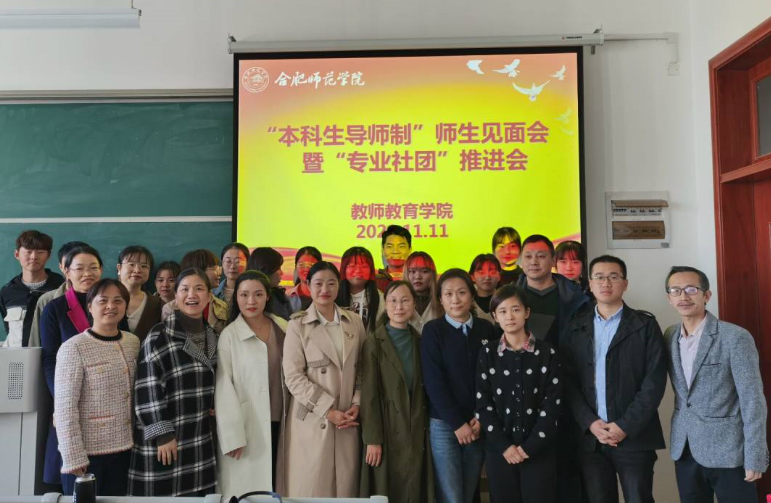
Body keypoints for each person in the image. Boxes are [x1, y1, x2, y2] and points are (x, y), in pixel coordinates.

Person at [562, 255, 667, 503]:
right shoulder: (575, 327)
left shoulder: (645, 325)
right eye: (599, 277)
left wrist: (624, 426)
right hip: (592, 440)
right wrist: (590, 423)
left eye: (613, 277)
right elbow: (568, 382)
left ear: (625, 283)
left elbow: (653, 383)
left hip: (634, 437)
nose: (606, 283)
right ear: (590, 283)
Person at [663, 266, 768, 503]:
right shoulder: (669, 335)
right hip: (685, 448)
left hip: (729, 451)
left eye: (691, 289)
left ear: (706, 295)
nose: (683, 296)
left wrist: (755, 456)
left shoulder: (735, 337)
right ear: (669, 298)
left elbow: (753, 400)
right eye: (676, 290)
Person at [279, 261, 367, 497]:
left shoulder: (354, 321)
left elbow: (363, 368)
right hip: (312, 419)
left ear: (339, 285)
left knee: (345, 489)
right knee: (312, 489)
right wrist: (328, 410)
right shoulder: (298, 325)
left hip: (347, 418)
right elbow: (293, 377)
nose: (324, 289)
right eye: (318, 284)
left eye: (331, 283)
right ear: (308, 285)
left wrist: (357, 402)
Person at [129, 268, 219, 497]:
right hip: (167, 439)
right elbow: (147, 387)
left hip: (199, 436)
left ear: (209, 296)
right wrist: (163, 434)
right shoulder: (159, 335)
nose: (192, 295)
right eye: (185, 289)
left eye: (199, 289)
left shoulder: (214, 337)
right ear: (176, 297)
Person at [515, 234, 588, 503]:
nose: (534, 261)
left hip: (570, 393)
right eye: (528, 256)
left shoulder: (577, 298)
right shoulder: (510, 298)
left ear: (552, 260)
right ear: (521, 261)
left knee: (569, 470)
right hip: (525, 395)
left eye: (541, 255)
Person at [476, 284, 562, 503]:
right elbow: (483, 404)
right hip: (500, 450)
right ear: (495, 316)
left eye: (515, 309)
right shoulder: (488, 353)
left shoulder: (547, 352)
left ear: (527, 312)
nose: (510, 316)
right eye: (502, 311)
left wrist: (529, 447)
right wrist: (505, 446)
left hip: (539, 449)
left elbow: (552, 404)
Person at [54, 278, 140, 496]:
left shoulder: (133, 342)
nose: (111, 306)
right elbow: (64, 408)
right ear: (90, 306)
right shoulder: (73, 347)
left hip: (126, 450)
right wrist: (73, 455)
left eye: (118, 301)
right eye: (103, 301)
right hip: (87, 456)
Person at [421, 268, 496, 503]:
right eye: (448, 294)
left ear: (472, 295)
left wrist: (481, 417)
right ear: (440, 299)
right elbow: (434, 382)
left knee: (469, 492)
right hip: (445, 425)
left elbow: (493, 379)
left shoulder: (487, 329)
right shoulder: (433, 331)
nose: (455, 299)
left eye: (462, 292)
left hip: (478, 423)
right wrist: (457, 424)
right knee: (452, 496)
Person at [360, 280, 435, 502]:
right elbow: (369, 395)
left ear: (414, 304)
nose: (399, 307)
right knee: (388, 486)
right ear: (386, 304)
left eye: (405, 300)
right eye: (393, 301)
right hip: (387, 425)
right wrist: (373, 439)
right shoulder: (374, 342)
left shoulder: (421, 340)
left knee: (415, 484)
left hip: (416, 423)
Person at [216, 270, 288, 497]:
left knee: (281, 487)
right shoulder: (229, 335)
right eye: (244, 295)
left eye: (258, 294)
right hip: (248, 425)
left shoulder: (283, 327)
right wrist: (232, 436)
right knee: (248, 491)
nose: (251, 301)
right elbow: (224, 387)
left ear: (267, 296)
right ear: (236, 297)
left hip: (284, 421)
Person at [40, 245, 103, 489]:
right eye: (79, 268)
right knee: (71, 474)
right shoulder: (55, 309)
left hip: (104, 401)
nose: (87, 273)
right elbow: (49, 359)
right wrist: (61, 399)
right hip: (69, 399)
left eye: (93, 267)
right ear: (66, 271)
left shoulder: (109, 303)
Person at [1, 230, 63, 347]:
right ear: (17, 254)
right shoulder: (7, 291)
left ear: (48, 255)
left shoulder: (61, 287)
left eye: (40, 252)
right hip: (17, 355)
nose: (34, 257)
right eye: (28, 252)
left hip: (54, 355)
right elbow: (10, 330)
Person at [28, 241, 89, 348]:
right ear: (62, 267)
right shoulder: (47, 300)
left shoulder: (107, 298)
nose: (85, 273)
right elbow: (36, 341)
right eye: (69, 263)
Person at [161, 249, 228, 333]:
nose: (219, 272)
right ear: (199, 271)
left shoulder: (222, 306)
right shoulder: (170, 309)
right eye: (214, 268)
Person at [116, 245, 162, 341]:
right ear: (119, 268)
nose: (137, 270)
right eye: (131, 264)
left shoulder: (155, 303)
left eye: (144, 266)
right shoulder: (104, 298)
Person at [336, 246, 384, 334]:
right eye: (352, 266)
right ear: (343, 270)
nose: (358, 270)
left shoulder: (381, 298)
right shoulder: (334, 296)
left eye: (364, 266)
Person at [248, 247, 293, 320]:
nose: (282, 273)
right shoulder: (246, 298)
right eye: (278, 268)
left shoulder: (280, 296)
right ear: (267, 269)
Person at [405, 251, 442, 333]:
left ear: (432, 274)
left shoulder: (442, 299)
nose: (418, 277)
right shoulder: (395, 301)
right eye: (412, 271)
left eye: (425, 271)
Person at [375, 225, 412, 291]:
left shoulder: (417, 278)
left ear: (410, 250)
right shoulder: (375, 279)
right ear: (383, 250)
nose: (395, 251)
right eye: (389, 246)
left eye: (401, 246)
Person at [468, 253, 501, 324]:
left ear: (499, 276)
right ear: (472, 277)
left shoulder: (506, 300)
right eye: (481, 272)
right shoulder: (467, 303)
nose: (487, 277)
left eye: (492, 272)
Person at [287, 246, 321, 312]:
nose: (306, 269)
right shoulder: (286, 296)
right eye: (301, 265)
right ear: (296, 267)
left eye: (311, 265)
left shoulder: (326, 295)